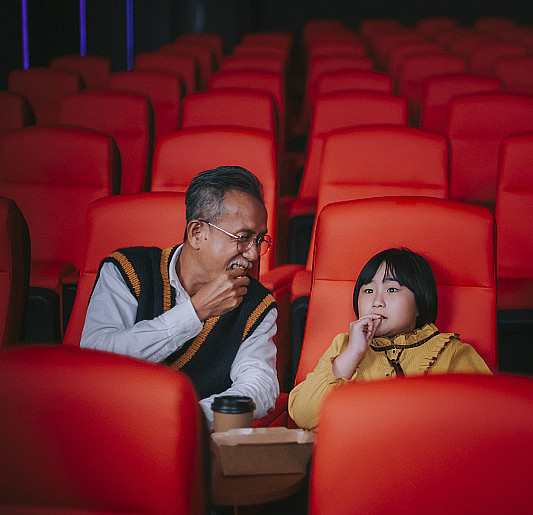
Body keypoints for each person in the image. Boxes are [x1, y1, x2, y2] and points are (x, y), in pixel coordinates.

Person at [81, 165, 279, 430]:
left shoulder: (256, 304)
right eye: (243, 238)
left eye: (259, 240)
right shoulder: (128, 270)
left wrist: (180, 418)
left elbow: (260, 386)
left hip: (194, 436)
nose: (253, 254)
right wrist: (194, 312)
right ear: (197, 233)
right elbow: (95, 358)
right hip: (107, 426)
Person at [288, 247, 491, 429]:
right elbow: (303, 416)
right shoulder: (343, 347)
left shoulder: (450, 352)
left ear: (420, 302)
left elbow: (486, 418)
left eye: (392, 289)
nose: (377, 301)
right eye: (368, 291)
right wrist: (352, 354)